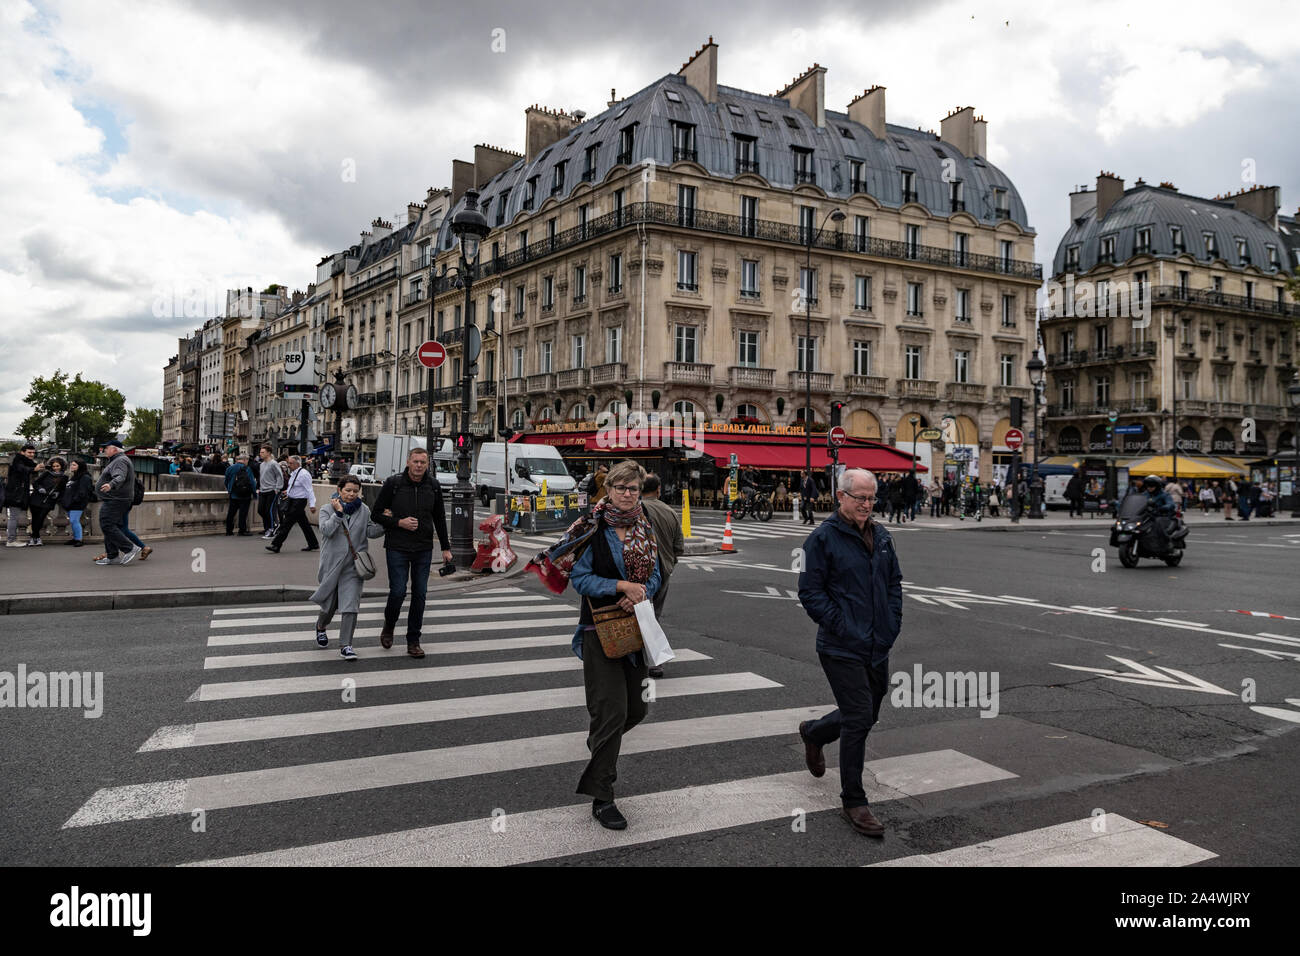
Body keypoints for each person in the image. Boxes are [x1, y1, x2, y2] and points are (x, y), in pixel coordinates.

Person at [527, 459, 660, 831]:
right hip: (598, 631)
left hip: (635, 630)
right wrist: (619, 587)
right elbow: (580, 579)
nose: (627, 494)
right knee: (611, 713)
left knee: (636, 711)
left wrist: (640, 592)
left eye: (633, 488)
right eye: (620, 487)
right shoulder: (592, 527)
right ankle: (603, 797)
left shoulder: (645, 528)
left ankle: (601, 744)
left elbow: (658, 571)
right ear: (609, 489)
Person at [797, 468, 903, 838]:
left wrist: (891, 625)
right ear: (840, 496)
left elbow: (893, 585)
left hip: (877, 643)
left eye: (871, 497)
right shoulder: (822, 539)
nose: (866, 504)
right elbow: (810, 593)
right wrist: (844, 626)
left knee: (869, 711)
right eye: (859, 497)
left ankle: (815, 733)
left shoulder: (882, 536)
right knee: (858, 717)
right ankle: (854, 800)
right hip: (840, 646)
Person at [372, 447, 451, 659]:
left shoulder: (433, 486)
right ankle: (389, 625)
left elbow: (440, 518)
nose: (418, 466)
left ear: (427, 464)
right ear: (408, 462)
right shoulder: (393, 483)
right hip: (397, 546)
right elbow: (376, 514)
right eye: (415, 461)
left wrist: (445, 548)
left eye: (422, 462)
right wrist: (399, 522)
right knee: (397, 592)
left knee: (420, 594)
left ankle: (414, 640)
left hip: (423, 548)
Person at [310, 476, 386, 661]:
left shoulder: (364, 509)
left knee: (350, 605)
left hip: (353, 565)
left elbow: (370, 532)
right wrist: (339, 513)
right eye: (348, 490)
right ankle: (321, 626)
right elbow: (326, 530)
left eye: (355, 491)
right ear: (339, 490)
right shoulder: (327, 509)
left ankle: (346, 645)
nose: (352, 494)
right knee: (330, 605)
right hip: (332, 565)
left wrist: (385, 522)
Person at [640, 473, 684, 680]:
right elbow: (679, 547)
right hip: (664, 569)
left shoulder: (636, 510)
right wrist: (670, 564)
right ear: (658, 489)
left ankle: (645, 660)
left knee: (640, 615)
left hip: (640, 572)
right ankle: (654, 661)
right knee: (654, 615)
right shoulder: (670, 512)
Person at [95, 439, 140, 566]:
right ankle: (112, 556)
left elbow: (120, 476)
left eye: (107, 448)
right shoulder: (119, 460)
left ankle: (129, 548)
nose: (104, 450)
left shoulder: (120, 460)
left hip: (116, 499)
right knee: (110, 526)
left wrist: (111, 485)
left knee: (107, 524)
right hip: (117, 499)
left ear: (114, 449)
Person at [266, 454, 319, 553]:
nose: (288, 465)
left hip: (299, 502)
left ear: (297, 464)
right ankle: (313, 543)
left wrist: (312, 504)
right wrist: (288, 492)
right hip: (293, 500)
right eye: (288, 463)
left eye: (290, 463)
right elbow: (294, 485)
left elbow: (309, 490)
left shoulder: (304, 474)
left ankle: (276, 545)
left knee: (287, 523)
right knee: (304, 524)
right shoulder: (295, 473)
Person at [27, 456, 67, 546]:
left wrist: (57, 494)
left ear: (62, 466)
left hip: (49, 500)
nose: (55, 468)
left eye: (57, 466)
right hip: (36, 498)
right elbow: (35, 483)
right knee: (35, 519)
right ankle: (36, 538)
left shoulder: (64, 477)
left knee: (41, 518)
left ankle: (34, 537)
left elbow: (63, 489)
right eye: (54, 466)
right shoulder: (47, 474)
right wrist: (40, 488)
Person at [5, 443, 37, 547]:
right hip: (15, 494)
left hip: (18, 493)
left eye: (33, 452)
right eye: (29, 452)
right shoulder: (18, 460)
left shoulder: (25, 461)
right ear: (22, 452)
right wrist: (34, 469)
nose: (32, 454)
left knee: (14, 517)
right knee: (13, 517)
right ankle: (11, 540)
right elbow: (22, 469)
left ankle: (12, 539)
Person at [60, 458, 94, 547]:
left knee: (74, 520)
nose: (71, 466)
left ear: (80, 466)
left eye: (74, 465)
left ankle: (79, 540)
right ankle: (75, 538)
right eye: (71, 464)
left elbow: (83, 492)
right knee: (73, 521)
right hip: (71, 503)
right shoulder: (74, 476)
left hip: (77, 503)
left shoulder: (85, 477)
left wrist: (74, 500)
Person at [223, 452, 258, 535]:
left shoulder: (230, 468)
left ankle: (229, 531)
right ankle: (242, 530)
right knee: (243, 514)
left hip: (234, 495)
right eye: (247, 460)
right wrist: (255, 494)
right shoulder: (247, 469)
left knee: (231, 513)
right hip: (245, 495)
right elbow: (252, 483)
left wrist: (229, 490)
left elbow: (226, 481)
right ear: (245, 460)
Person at [256, 444, 283, 538]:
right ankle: (268, 527)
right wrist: (258, 488)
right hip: (262, 490)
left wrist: (277, 489)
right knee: (261, 510)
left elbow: (279, 476)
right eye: (260, 452)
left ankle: (271, 529)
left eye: (262, 452)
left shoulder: (273, 463)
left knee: (269, 510)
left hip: (272, 490)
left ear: (268, 453)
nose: (260, 454)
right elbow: (261, 477)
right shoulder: (261, 464)